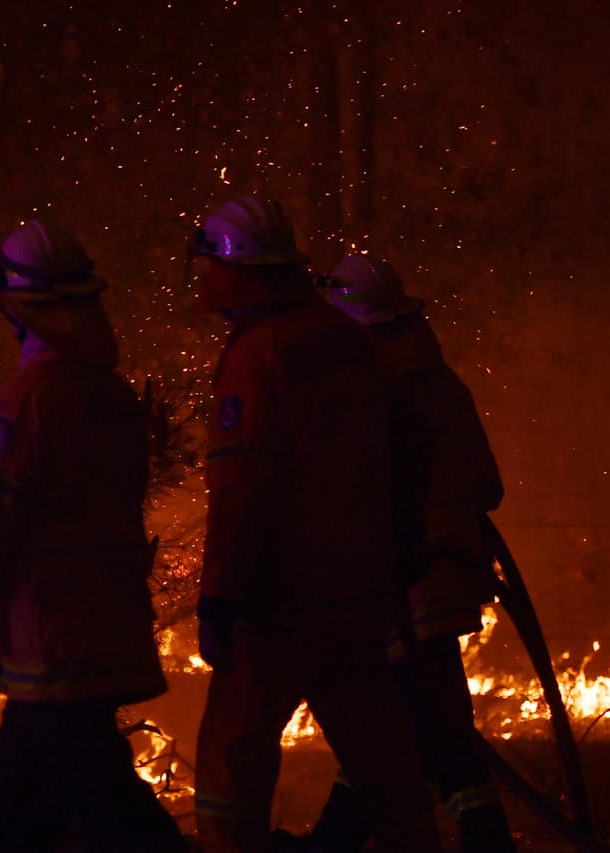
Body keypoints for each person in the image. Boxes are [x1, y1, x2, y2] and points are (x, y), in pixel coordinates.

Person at [0, 219, 187, 853]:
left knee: (97, 800)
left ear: (21, 314)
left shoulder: (30, 400)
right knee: (30, 804)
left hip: (52, 640)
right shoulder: (110, 395)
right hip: (103, 630)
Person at [188, 195, 442, 853]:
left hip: (277, 607)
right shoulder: (352, 341)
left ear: (240, 270)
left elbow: (242, 489)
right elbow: (410, 452)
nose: (201, 277)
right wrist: (404, 549)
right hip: (359, 597)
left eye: (208, 263)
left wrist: (219, 597)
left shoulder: (256, 356)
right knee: (387, 765)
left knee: (230, 759)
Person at [307, 253, 516, 853]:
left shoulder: (371, 389)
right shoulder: (443, 382)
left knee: (420, 727)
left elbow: (357, 494)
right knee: (411, 721)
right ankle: (334, 841)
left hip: (401, 584)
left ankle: (484, 840)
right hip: (450, 577)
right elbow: (489, 486)